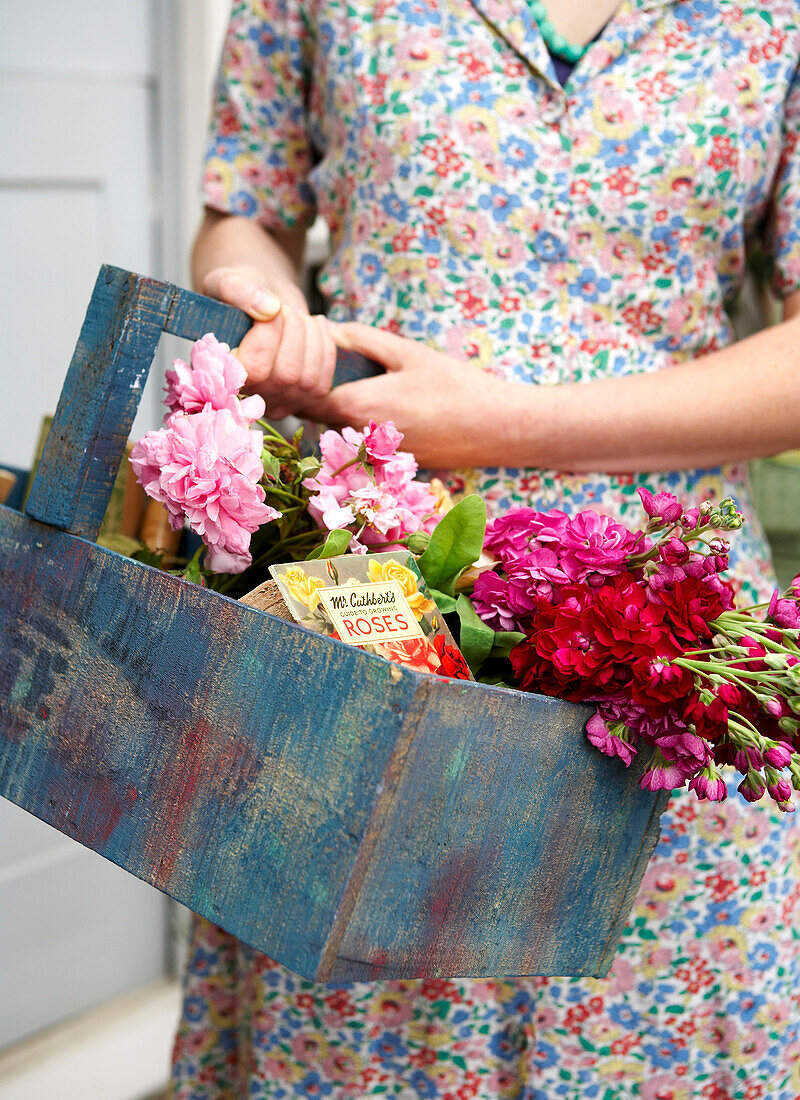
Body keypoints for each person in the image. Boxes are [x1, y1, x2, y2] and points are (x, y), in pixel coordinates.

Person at [169, 0, 800, 1096]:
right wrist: (263, 294)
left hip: (663, 654)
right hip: (363, 601)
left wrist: (511, 423)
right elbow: (244, 210)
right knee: (360, 1006)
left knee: (645, 1015)